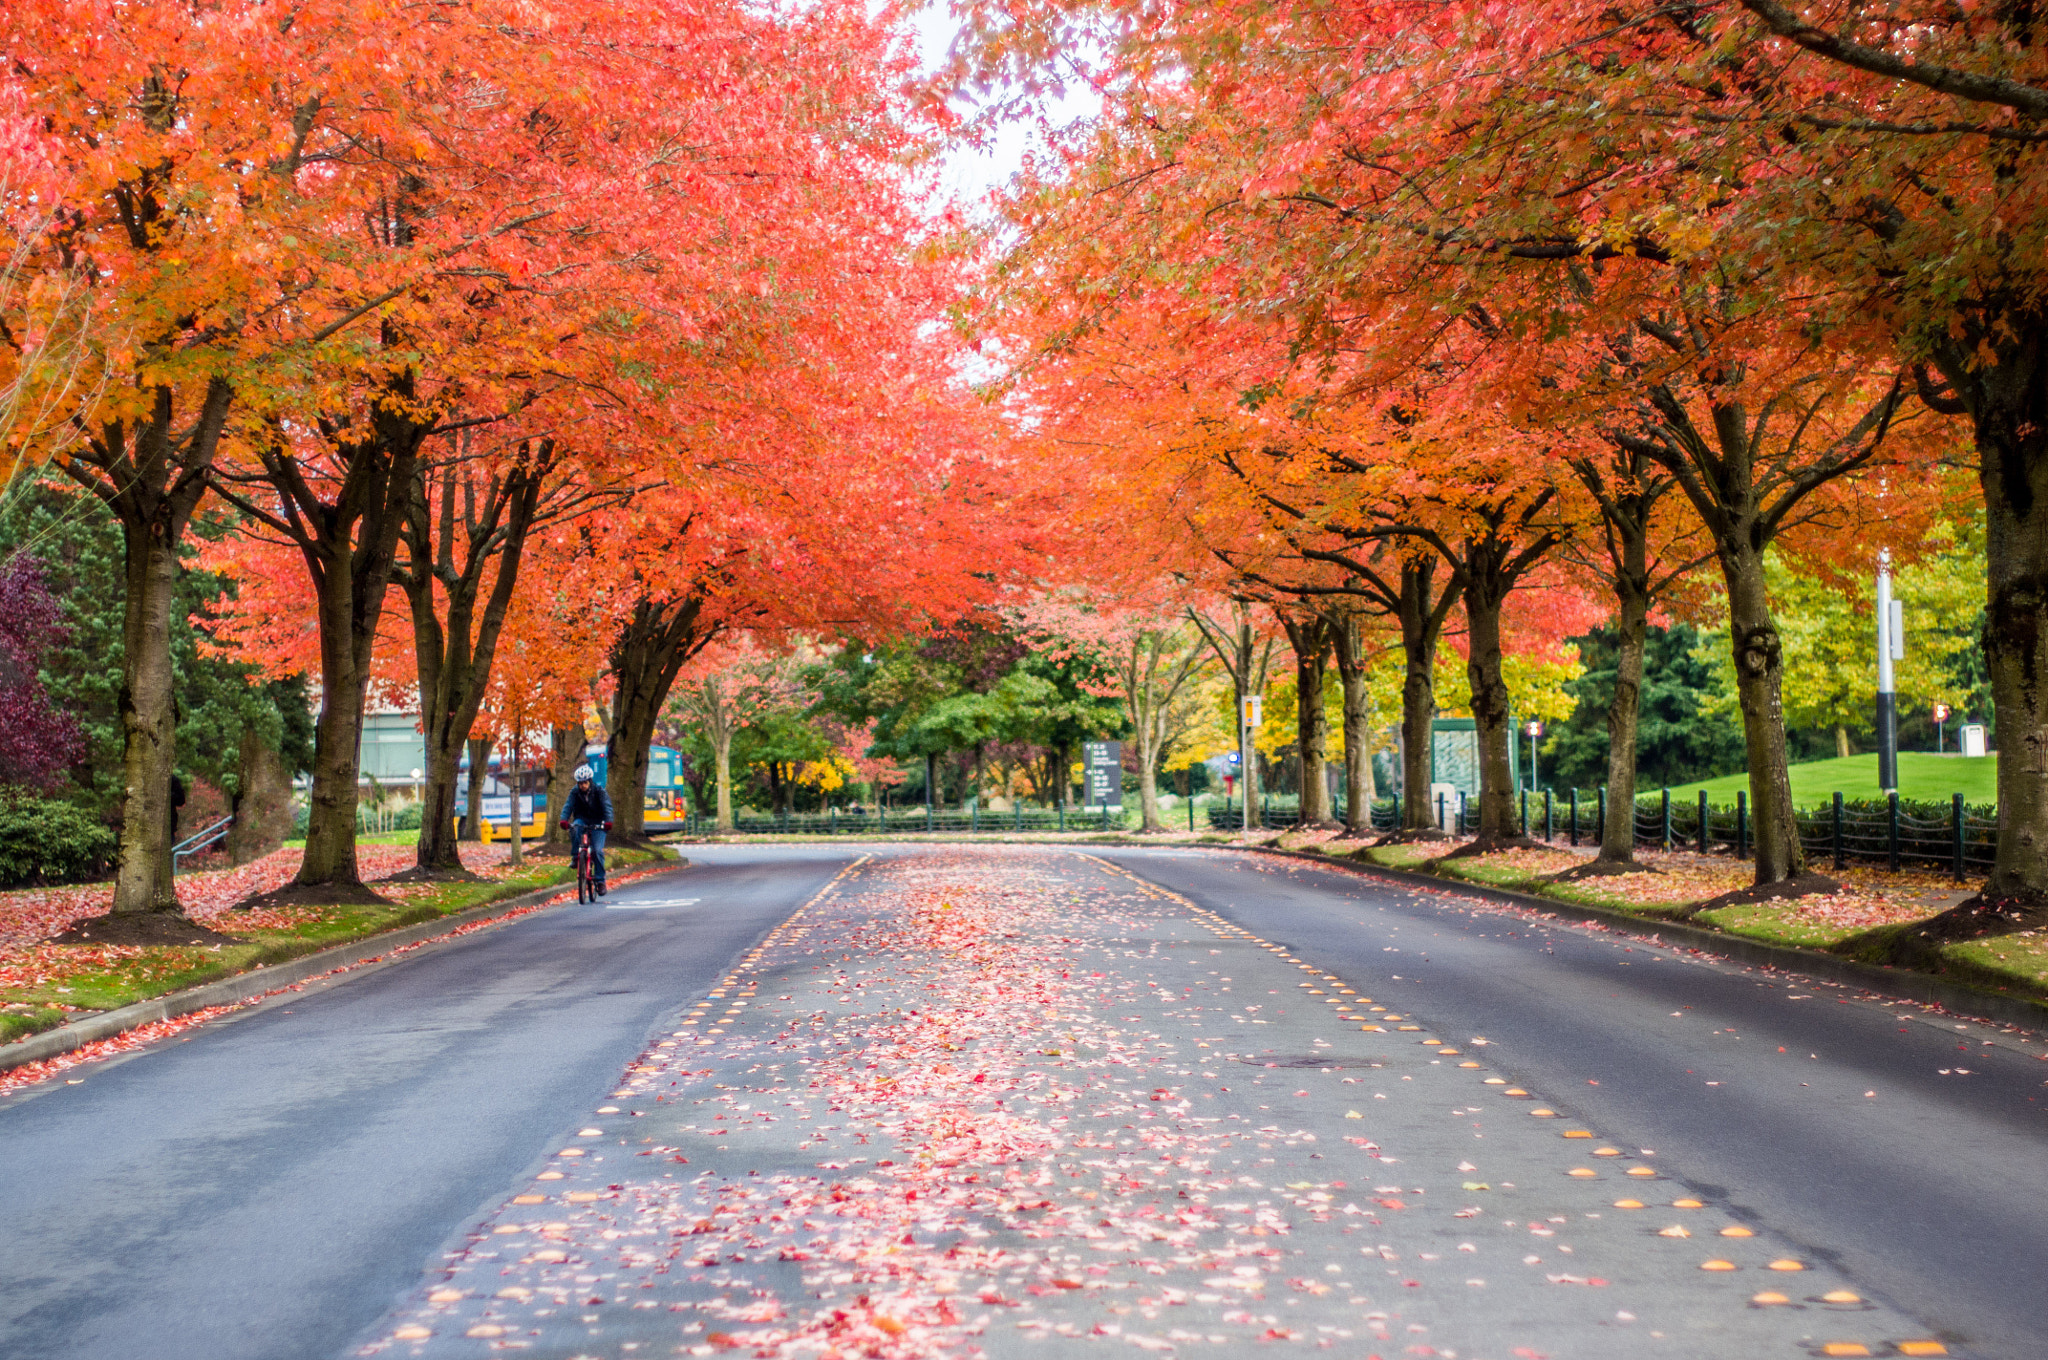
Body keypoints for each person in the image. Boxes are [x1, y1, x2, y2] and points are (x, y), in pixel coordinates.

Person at [560, 764, 613, 895]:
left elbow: (607, 807)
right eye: (580, 783)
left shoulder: (600, 791)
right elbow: (568, 806)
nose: (582, 785)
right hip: (582, 819)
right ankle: (576, 857)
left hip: (598, 821)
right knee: (575, 828)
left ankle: (600, 881)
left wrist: (608, 821)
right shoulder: (574, 792)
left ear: (590, 781)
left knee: (597, 850)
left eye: (585, 783)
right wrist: (564, 819)